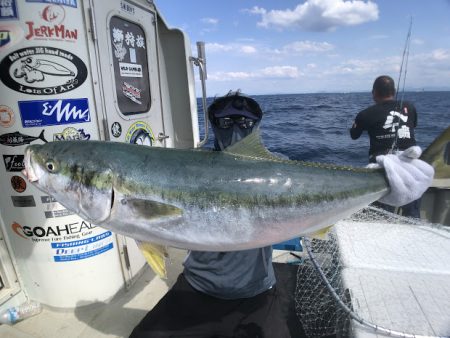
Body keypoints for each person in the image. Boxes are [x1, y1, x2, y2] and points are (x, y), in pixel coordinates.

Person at [130, 91, 294, 338]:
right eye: (226, 123)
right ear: (213, 126)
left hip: (258, 291)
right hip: (198, 287)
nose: (236, 130)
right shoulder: (192, 167)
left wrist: (375, 177)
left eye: (245, 123)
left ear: (256, 126)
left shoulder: (278, 170)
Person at [350, 75, 421, 217]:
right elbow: (414, 125)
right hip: (411, 167)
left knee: (382, 216)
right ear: (394, 91)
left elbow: (354, 135)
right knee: (412, 215)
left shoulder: (365, 114)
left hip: (382, 171)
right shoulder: (410, 107)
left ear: (374, 93)